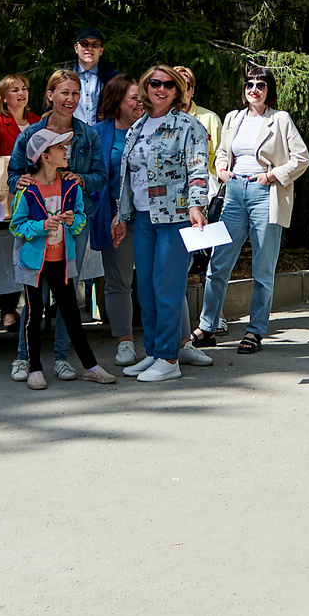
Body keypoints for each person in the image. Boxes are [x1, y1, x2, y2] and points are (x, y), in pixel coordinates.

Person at [197, 63, 309, 353]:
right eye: (249, 85)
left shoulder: (280, 119)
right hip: (234, 193)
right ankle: (207, 326)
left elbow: (301, 158)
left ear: (268, 90)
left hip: (266, 194)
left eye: (260, 85)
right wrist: (221, 168)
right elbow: (223, 151)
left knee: (263, 269)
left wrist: (273, 175)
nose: (254, 90)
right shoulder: (234, 118)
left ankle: (255, 331)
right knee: (218, 264)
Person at [9, 68, 111, 381]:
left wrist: (80, 179)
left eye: (76, 93)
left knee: (68, 291)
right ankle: (25, 359)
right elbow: (13, 176)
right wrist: (20, 180)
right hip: (38, 228)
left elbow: (100, 177)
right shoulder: (30, 134)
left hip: (72, 227)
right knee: (34, 294)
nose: (70, 99)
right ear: (50, 95)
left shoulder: (87, 133)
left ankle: (62, 357)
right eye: (64, 93)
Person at [111, 65, 211, 383]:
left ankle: (169, 358)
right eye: (155, 83)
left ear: (177, 90)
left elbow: (198, 167)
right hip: (142, 217)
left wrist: (197, 204)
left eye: (169, 84)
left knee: (168, 289)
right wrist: (121, 215)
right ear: (146, 87)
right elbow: (130, 176)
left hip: (175, 216)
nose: (161, 88)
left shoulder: (188, 125)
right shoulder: (138, 125)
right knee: (147, 291)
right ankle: (155, 352)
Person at [0, 74, 37, 334]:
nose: (21, 93)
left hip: (37, 194)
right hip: (9, 194)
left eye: (24, 88)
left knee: (31, 247)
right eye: (15, 90)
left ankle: (34, 306)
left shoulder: (37, 121)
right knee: (5, 249)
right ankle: (7, 309)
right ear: (3, 97)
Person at [90, 75, 145, 365]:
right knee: (118, 282)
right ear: (116, 102)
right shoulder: (97, 133)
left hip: (151, 215)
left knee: (158, 278)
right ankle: (124, 341)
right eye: (133, 98)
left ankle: (175, 341)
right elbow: (93, 177)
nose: (139, 103)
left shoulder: (151, 127)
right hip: (114, 216)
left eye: (140, 97)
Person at [70, 26, 114, 123]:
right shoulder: (64, 78)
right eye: (84, 44)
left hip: (102, 136)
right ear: (76, 48)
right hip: (70, 135)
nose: (89, 48)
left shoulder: (113, 79)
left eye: (95, 45)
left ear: (101, 50)